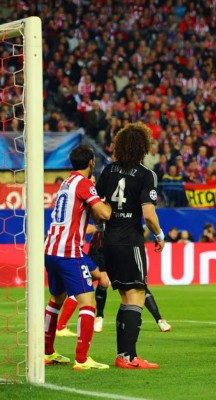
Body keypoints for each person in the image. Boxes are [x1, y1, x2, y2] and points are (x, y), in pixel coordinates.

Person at [94, 122, 166, 368]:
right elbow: (149, 214)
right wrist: (159, 235)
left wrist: (102, 227)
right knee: (136, 294)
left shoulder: (109, 170)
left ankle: (122, 356)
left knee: (126, 297)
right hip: (131, 241)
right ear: (142, 148)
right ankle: (130, 356)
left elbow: (96, 207)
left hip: (110, 240)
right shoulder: (147, 175)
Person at [43, 144, 112, 370]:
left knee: (56, 300)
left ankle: (47, 352)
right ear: (91, 162)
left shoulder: (66, 183)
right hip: (69, 253)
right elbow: (103, 213)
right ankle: (82, 359)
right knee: (87, 302)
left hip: (51, 250)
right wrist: (107, 204)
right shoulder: (83, 184)